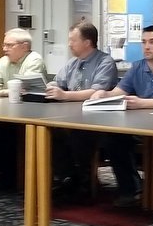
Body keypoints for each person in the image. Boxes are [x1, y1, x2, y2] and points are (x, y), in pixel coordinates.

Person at [91, 25, 153, 215]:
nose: (147, 47)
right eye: (143, 42)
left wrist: (142, 103)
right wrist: (103, 94)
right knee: (112, 137)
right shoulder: (137, 67)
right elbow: (118, 92)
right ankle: (131, 188)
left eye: (152, 42)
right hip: (142, 127)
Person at [48, 21, 119, 201]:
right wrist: (51, 87)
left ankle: (84, 182)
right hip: (71, 115)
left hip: (97, 119)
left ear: (87, 42)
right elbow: (59, 82)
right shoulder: (72, 63)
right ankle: (66, 177)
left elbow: (96, 91)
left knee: (79, 135)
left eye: (73, 40)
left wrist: (65, 95)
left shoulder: (105, 62)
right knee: (50, 131)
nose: (69, 44)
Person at [0, 28, 46, 189]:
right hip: (6, 112)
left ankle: (14, 174)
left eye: (9, 45)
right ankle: (1, 170)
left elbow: (23, 89)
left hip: (30, 113)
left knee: (9, 131)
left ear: (24, 46)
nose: (4, 49)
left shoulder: (34, 60)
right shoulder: (3, 61)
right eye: (4, 45)